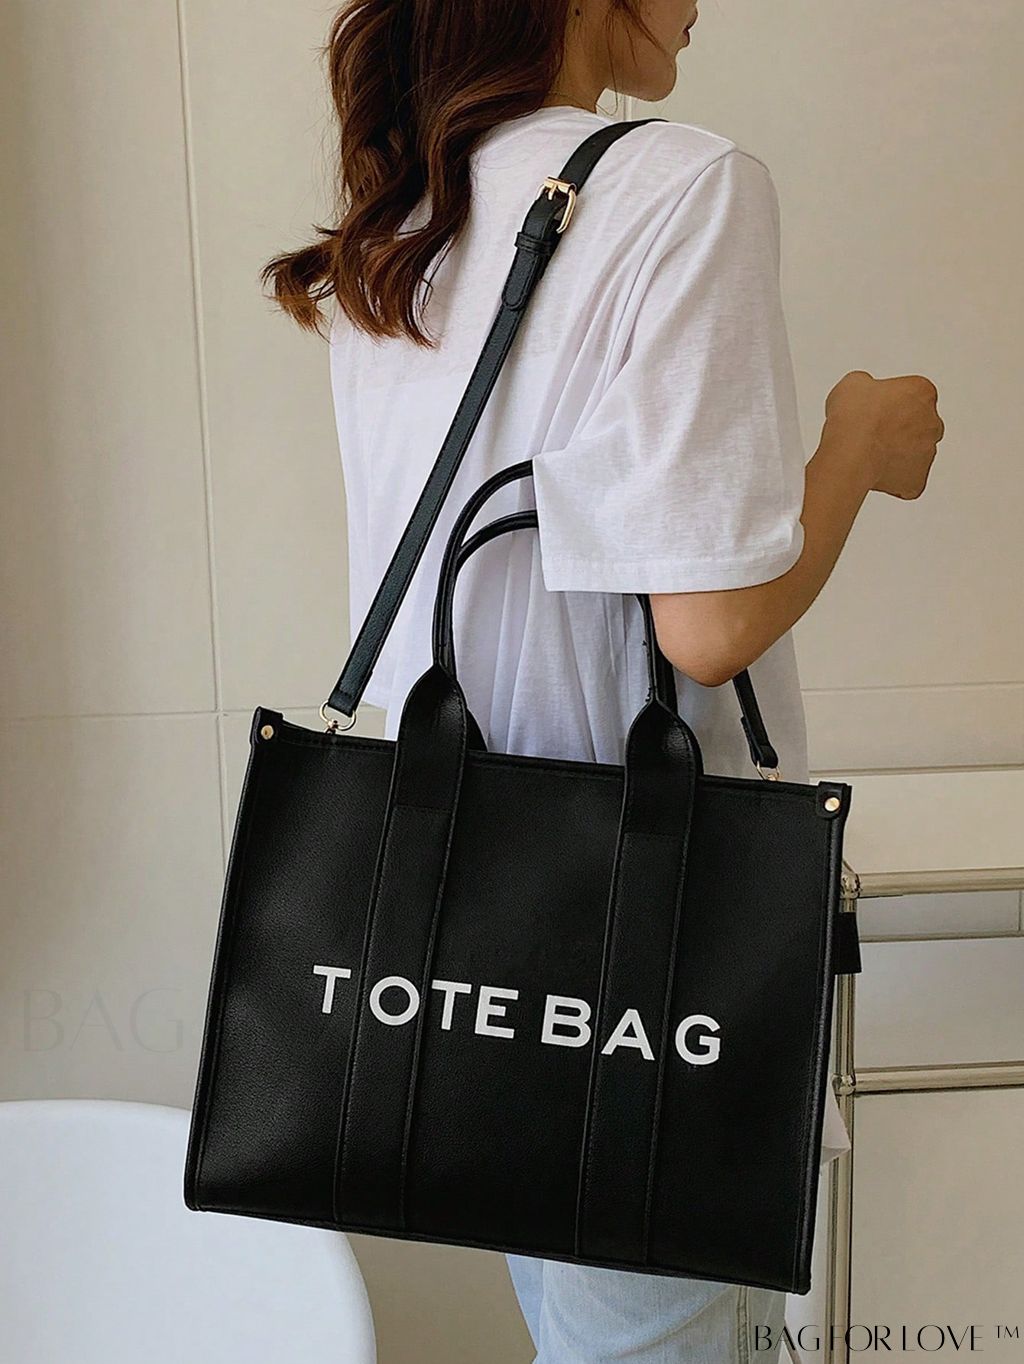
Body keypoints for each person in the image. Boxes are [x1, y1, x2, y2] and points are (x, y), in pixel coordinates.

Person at [261, 1, 945, 1359]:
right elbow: (710, 624)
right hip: (637, 932)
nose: (698, 5)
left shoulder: (407, 220)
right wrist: (857, 446)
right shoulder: (680, 184)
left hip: (467, 926)